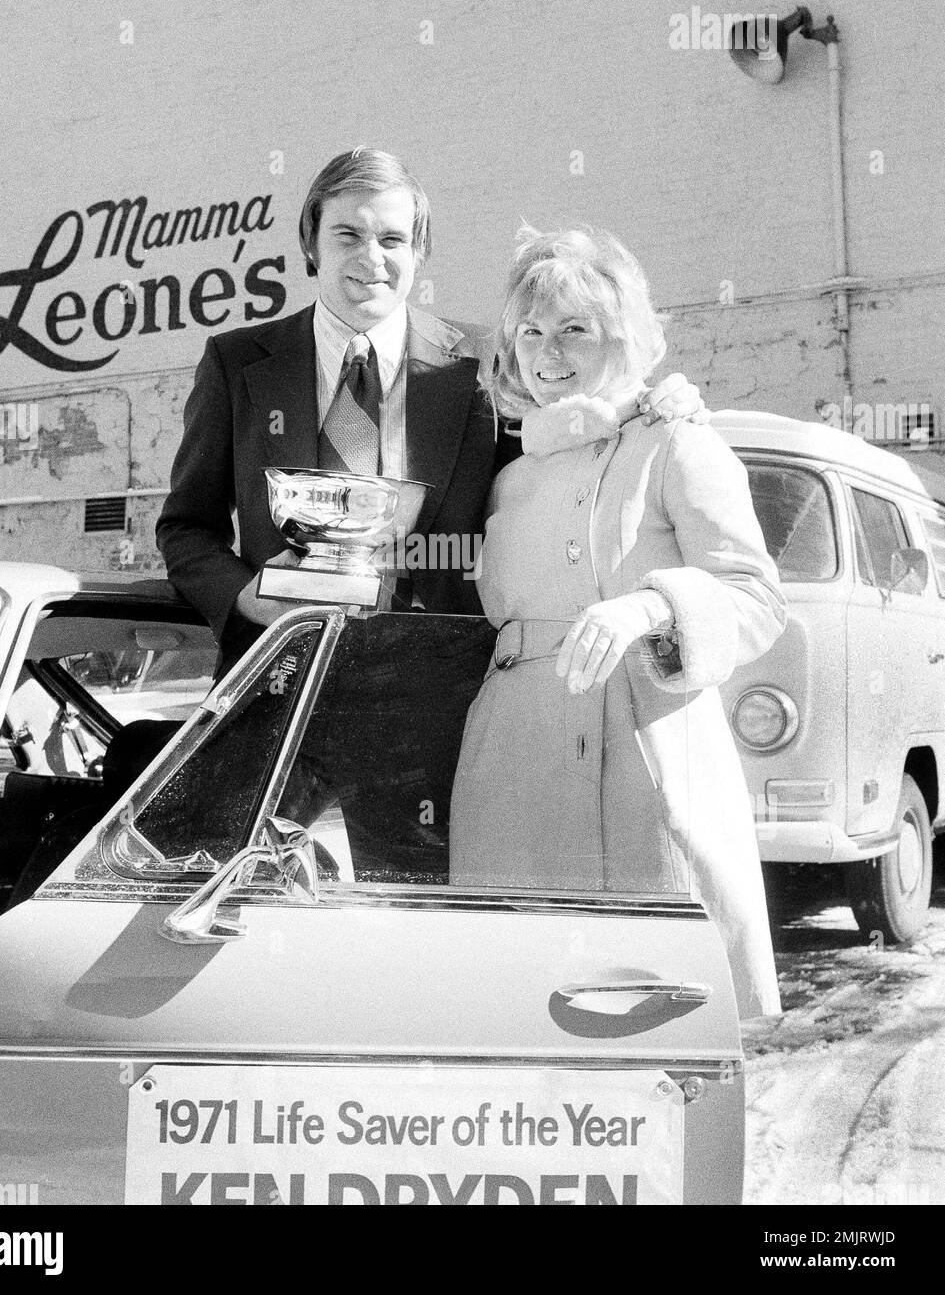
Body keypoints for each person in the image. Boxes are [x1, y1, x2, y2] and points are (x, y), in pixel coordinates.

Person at [157, 150, 704, 674]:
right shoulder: (237, 363)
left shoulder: (485, 362)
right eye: (348, 234)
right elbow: (186, 528)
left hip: (443, 679)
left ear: (419, 253)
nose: (371, 258)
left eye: (392, 239)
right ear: (311, 243)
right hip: (280, 670)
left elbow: (563, 448)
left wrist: (650, 406)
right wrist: (245, 596)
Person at [449, 226, 787, 1018]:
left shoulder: (675, 442)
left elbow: (755, 597)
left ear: (622, 336)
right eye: (530, 331)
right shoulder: (507, 478)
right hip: (514, 766)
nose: (547, 352)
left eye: (574, 329)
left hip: (646, 757)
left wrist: (653, 605)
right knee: (522, 1010)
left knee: (656, 1017)